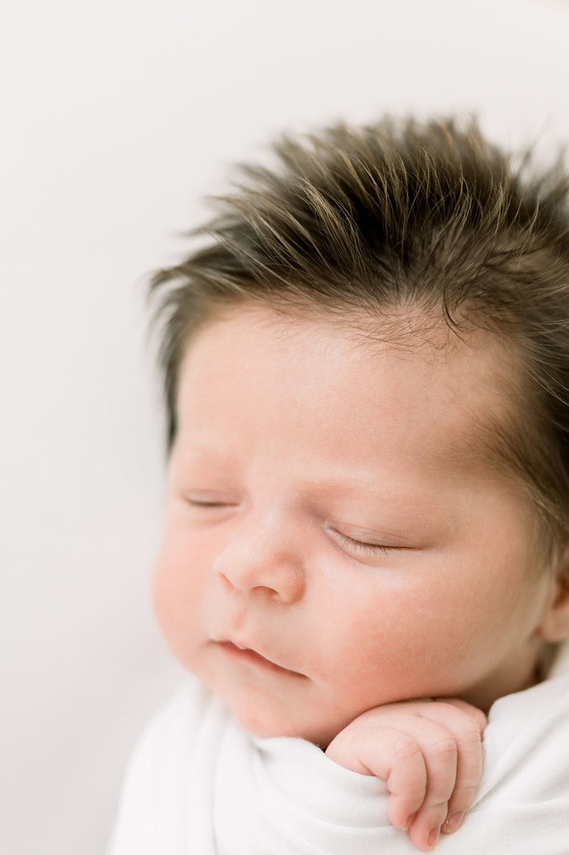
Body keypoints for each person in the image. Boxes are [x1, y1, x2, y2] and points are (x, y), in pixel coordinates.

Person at [108, 117, 569, 854]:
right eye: (207, 497)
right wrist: (335, 796)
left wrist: (346, 815)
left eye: (363, 531)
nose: (247, 565)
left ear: (560, 583)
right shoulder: (188, 753)